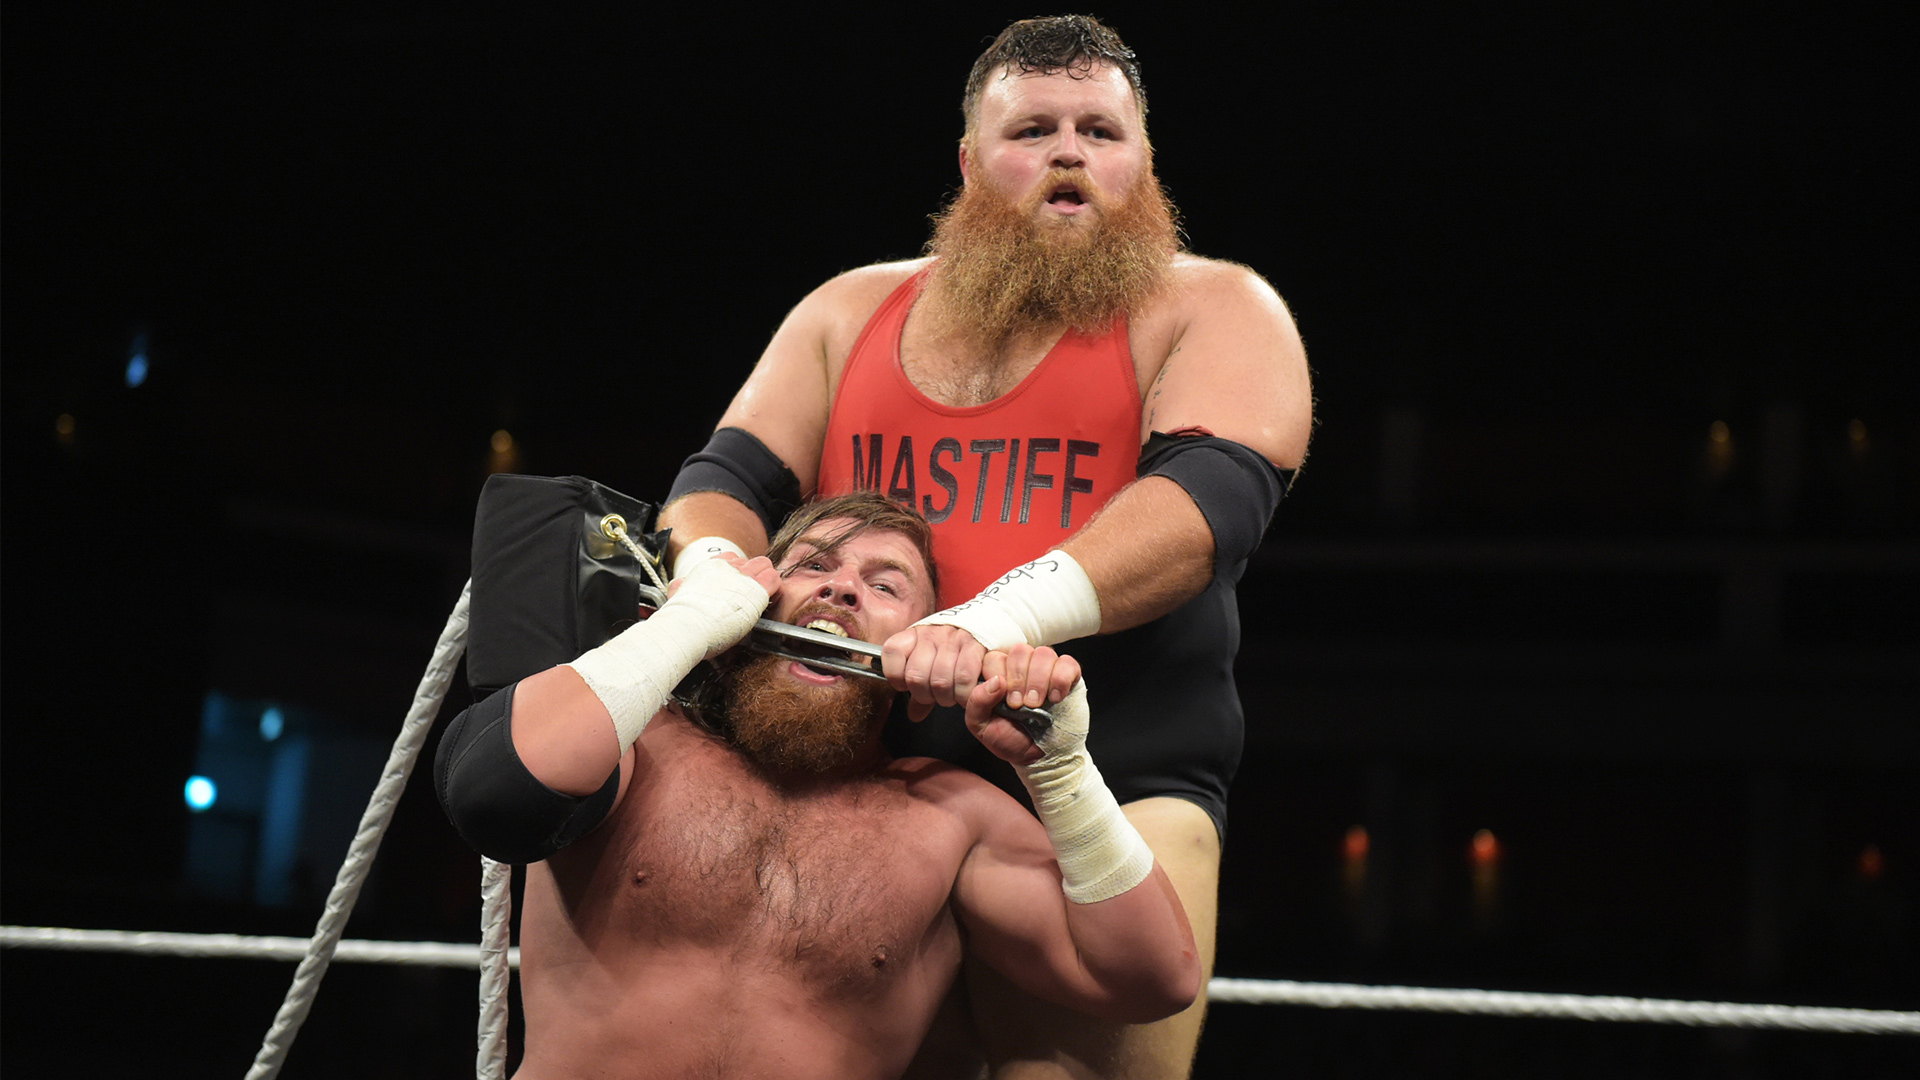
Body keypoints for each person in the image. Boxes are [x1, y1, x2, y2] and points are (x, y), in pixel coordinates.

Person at [656, 15, 1312, 1078]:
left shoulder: (1217, 307)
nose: (1070, 153)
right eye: (1035, 129)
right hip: (863, 781)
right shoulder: (848, 310)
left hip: (1104, 776)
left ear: (1144, 162)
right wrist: (709, 579)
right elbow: (722, 484)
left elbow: (1208, 509)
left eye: (1102, 131)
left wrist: (989, 621)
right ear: (967, 163)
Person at [435, 492, 1201, 1080]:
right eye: (813, 566)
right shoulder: (640, 738)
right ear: (757, 596)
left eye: (886, 585)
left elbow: (1152, 979)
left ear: (921, 643)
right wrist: (690, 620)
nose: (841, 592)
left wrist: (1060, 770)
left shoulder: (946, 814)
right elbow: (495, 787)